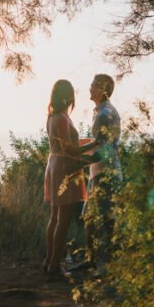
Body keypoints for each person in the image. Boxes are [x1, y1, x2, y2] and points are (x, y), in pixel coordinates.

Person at [72, 73, 122, 274]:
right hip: (98, 173)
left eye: (94, 85)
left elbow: (104, 148)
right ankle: (91, 259)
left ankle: (107, 264)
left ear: (104, 90)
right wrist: (75, 148)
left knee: (106, 219)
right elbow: (97, 142)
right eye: (91, 84)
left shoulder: (105, 114)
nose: (90, 88)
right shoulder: (100, 112)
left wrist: (78, 160)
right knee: (90, 217)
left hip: (107, 173)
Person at [42, 79, 87, 279]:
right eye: (71, 93)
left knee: (54, 217)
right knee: (64, 219)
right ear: (67, 96)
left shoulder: (52, 117)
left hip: (54, 164)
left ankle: (49, 261)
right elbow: (69, 148)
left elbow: (68, 143)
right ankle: (54, 264)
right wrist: (94, 148)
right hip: (64, 167)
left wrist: (88, 142)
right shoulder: (61, 118)